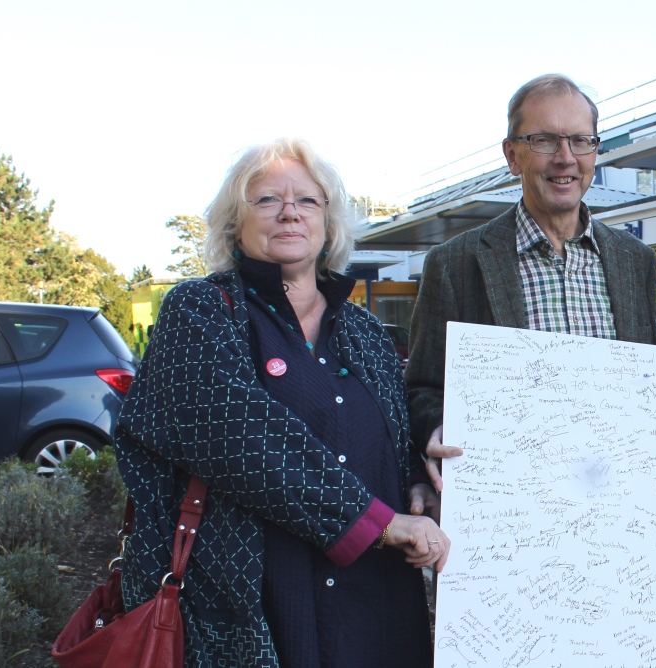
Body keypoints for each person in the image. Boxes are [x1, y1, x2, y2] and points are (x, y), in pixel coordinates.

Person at [115, 138, 449, 667]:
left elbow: (394, 431)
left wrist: (414, 483)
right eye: (267, 200)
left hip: (376, 603)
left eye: (308, 201)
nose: (290, 211)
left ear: (328, 224)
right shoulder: (201, 311)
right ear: (235, 225)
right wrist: (381, 523)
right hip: (257, 606)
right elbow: (239, 439)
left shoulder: (363, 328)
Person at [406, 73, 656, 497]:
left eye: (581, 141)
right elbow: (422, 387)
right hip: (513, 503)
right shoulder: (455, 264)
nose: (566, 158)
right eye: (544, 141)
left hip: (617, 495)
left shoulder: (634, 260)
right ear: (512, 156)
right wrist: (436, 427)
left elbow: (651, 376)